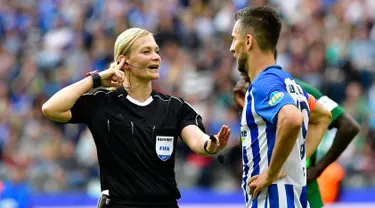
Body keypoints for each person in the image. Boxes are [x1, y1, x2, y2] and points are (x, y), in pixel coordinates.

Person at [42, 27, 231, 208]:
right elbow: (51, 108)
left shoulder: (173, 107)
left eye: (156, 51)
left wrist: (210, 144)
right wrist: (96, 79)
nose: (156, 56)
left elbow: (197, 139)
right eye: (146, 51)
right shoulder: (103, 104)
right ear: (125, 61)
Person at [229, 6, 332, 207]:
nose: (232, 47)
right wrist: (295, 159)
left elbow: (293, 118)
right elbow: (323, 116)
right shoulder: (291, 85)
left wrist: (271, 173)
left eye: (234, 39)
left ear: (248, 41)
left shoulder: (263, 84)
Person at [233, 52, 360, 208]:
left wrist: (317, 169)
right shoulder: (254, 94)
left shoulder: (296, 88)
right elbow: (249, 150)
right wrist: (243, 109)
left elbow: (348, 126)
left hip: (301, 192)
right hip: (265, 191)